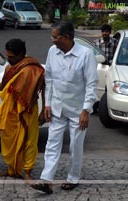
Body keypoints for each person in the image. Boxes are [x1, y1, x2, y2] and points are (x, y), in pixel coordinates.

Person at [31, 21, 98, 194]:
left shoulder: (85, 54)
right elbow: (50, 79)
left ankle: (73, 178)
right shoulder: (52, 51)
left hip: (78, 110)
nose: (52, 40)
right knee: (52, 143)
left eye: (55, 36)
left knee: (75, 146)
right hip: (57, 107)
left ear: (66, 37)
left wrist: (86, 110)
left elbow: (91, 84)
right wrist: (47, 104)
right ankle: (46, 180)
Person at [0, 39, 45, 181]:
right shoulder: (9, 68)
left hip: (28, 110)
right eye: (7, 56)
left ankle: (27, 171)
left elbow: (44, 88)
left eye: (11, 57)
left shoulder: (33, 69)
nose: (9, 59)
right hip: (11, 111)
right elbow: (5, 87)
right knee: (8, 139)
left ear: (21, 54)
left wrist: (44, 110)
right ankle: (12, 169)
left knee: (29, 141)